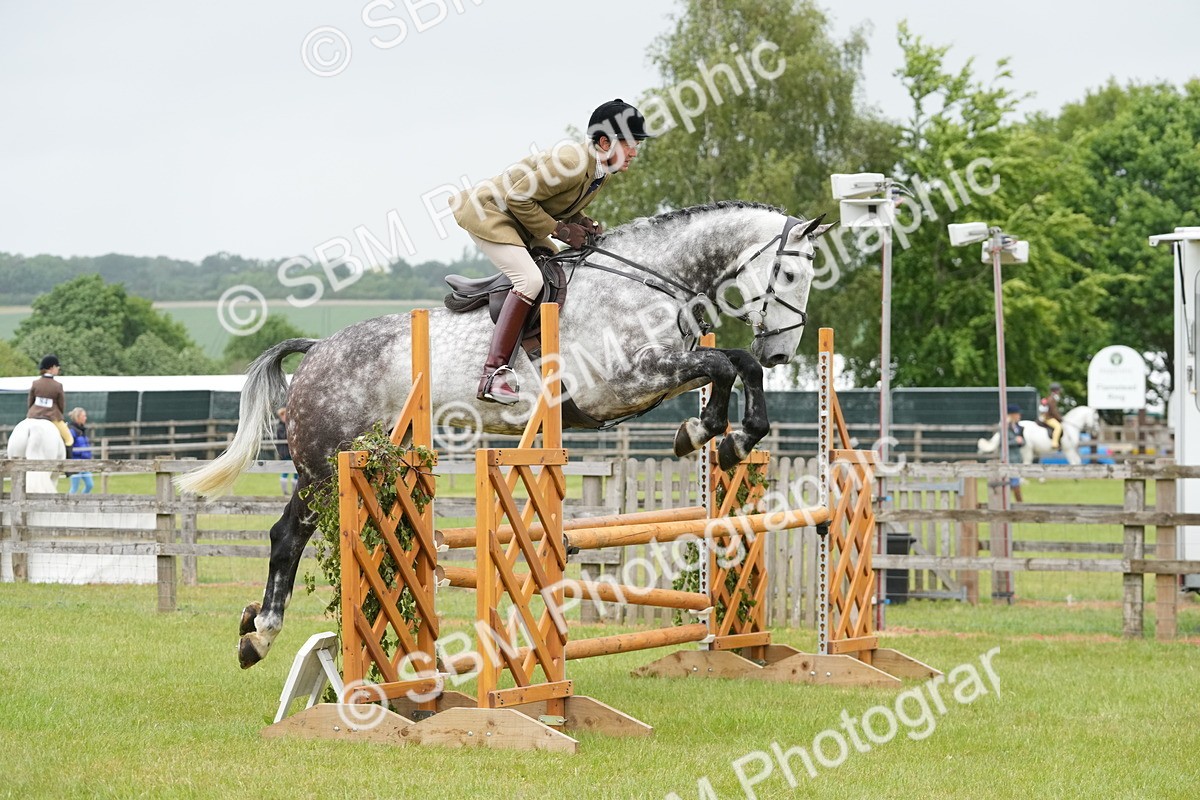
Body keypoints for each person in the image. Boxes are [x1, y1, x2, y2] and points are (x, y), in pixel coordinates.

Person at [449, 98, 651, 404]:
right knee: (530, 281)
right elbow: (518, 198)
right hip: (490, 213)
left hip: (521, 221)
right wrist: (561, 230)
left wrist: (583, 223)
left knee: (562, 270)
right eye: (629, 143)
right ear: (605, 141)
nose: (634, 151)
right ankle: (493, 374)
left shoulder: (600, 170)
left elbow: (558, 205)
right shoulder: (571, 162)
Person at [27, 354, 73, 447]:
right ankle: (68, 460)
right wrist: (60, 415)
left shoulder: (35, 383)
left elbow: (30, 401)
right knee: (69, 439)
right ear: (51, 367)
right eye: (57, 366)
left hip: (33, 415)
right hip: (52, 416)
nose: (58, 368)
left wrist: (33, 411)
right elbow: (61, 404)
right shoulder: (57, 385)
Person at [66, 407, 94, 494]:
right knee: (74, 488)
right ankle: (68, 504)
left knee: (90, 485)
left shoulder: (82, 430)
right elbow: (70, 447)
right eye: (83, 416)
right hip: (75, 462)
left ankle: (83, 501)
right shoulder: (71, 431)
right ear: (78, 417)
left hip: (85, 462)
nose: (85, 418)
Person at [1005, 403, 1025, 502]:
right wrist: (1015, 441)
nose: (1019, 416)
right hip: (1009, 458)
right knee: (1014, 483)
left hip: (1017, 458)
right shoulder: (1005, 428)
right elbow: (1003, 443)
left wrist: (1021, 441)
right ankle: (1019, 504)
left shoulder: (1018, 427)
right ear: (1012, 415)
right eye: (1017, 414)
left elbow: (1023, 441)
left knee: (1013, 483)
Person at [1038, 382, 1066, 450]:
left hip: (1050, 416)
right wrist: (1060, 418)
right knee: (1058, 427)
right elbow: (1053, 411)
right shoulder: (1052, 399)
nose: (1059, 392)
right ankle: (1054, 443)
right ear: (1056, 390)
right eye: (1059, 390)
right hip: (1048, 418)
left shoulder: (1052, 398)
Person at [275, 407, 297, 495]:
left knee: (296, 473)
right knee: (285, 472)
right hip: (285, 452)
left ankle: (294, 491)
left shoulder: (290, 426)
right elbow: (285, 436)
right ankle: (285, 491)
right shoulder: (280, 427)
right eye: (283, 415)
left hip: (293, 453)